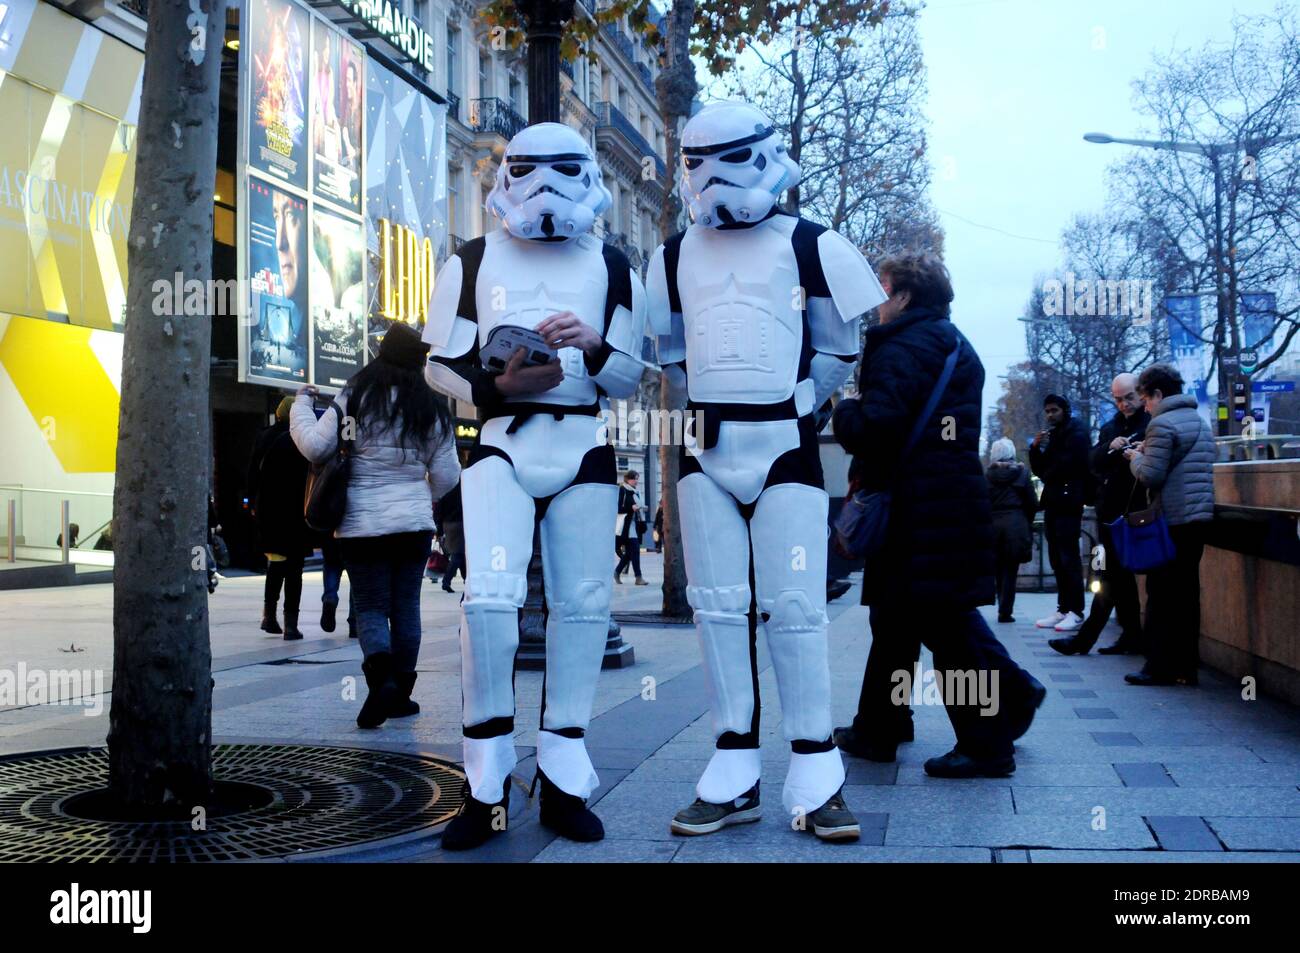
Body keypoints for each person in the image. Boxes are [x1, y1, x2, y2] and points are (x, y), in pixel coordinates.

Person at [647, 101, 882, 841]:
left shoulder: (813, 245)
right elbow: (671, 353)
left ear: (765, 155)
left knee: (797, 607)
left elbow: (839, 348)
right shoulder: (672, 256)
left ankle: (817, 766)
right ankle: (733, 764)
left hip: (784, 445)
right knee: (716, 606)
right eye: (696, 160)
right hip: (706, 447)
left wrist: (800, 401)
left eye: (730, 158)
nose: (712, 176)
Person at [423, 122, 647, 849]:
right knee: (489, 601)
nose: (545, 187)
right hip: (501, 444)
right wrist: (497, 379)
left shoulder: (614, 266)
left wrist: (592, 343)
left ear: (587, 176)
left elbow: (630, 376)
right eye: (528, 170)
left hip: (582, 442)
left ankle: (562, 778)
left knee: (583, 606)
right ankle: (483, 785)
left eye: (562, 170)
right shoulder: (473, 258)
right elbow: (439, 364)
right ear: (507, 174)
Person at [831, 252, 1046, 779]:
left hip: (918, 507)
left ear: (903, 295)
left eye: (882, 289)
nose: (876, 301)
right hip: (944, 499)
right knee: (896, 617)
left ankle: (989, 740)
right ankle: (879, 726)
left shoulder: (902, 344)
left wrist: (844, 410)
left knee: (943, 626)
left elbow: (879, 428)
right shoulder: (953, 342)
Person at [291, 322, 460, 727]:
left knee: (369, 606)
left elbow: (316, 446)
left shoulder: (357, 395)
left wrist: (300, 405)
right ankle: (399, 694)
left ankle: (381, 681)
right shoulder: (432, 408)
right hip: (414, 526)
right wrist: (416, 484)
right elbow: (447, 476)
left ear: (381, 353)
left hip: (362, 525)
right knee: (406, 607)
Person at [1122, 364, 1215, 686]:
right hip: (1199, 519)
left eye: (1146, 398)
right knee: (1187, 595)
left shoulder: (1161, 425)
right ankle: (1186, 667)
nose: (1145, 406)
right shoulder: (1200, 422)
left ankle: (1158, 666)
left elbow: (1151, 475)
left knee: (1160, 594)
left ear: (1158, 394)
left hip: (1172, 521)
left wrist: (1134, 457)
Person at [1051, 373, 1149, 656]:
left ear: (1140, 393)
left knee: (1111, 578)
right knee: (1117, 578)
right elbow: (1093, 462)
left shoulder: (1150, 423)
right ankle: (1131, 636)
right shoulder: (1111, 428)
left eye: (1129, 397)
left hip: (1137, 512)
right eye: (1118, 399)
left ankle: (1086, 640)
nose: (1124, 404)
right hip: (1114, 513)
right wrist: (1111, 448)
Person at [247, 396, 313, 640]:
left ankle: (269, 615)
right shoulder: (302, 438)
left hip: (269, 510)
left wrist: (252, 502)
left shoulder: (265, 436)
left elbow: (252, 472)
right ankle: (291, 625)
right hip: (296, 511)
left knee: (275, 563)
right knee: (295, 569)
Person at [1028, 393, 1091, 632]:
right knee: (1057, 558)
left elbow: (1063, 467)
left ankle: (1075, 611)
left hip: (1068, 501)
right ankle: (1064, 608)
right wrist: (1035, 448)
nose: (1050, 415)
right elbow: (1044, 469)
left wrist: (1049, 467)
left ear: (1064, 410)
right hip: (1055, 501)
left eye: (1054, 410)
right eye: (1047, 411)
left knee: (1068, 558)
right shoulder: (1055, 435)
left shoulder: (1076, 433)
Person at [986, 438, 1036, 623]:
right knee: (1010, 570)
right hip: (1015, 524)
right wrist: (1025, 520)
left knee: (998, 568)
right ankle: (1005, 610)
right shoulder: (1022, 474)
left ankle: (999, 601)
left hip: (993, 525)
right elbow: (1032, 503)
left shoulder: (987, 476)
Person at [614, 470, 647, 585]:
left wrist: (641, 508)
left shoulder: (637, 492)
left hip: (635, 525)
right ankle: (638, 577)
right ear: (628, 479)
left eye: (637, 478)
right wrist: (631, 508)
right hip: (626, 527)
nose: (636, 481)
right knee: (635, 550)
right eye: (634, 478)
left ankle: (617, 571)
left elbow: (639, 507)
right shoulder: (622, 490)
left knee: (629, 553)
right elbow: (618, 508)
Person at [435, 482, 466, 593]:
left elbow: (439, 511)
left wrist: (439, 531)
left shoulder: (446, 490)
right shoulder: (464, 490)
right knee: (458, 555)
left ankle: (467, 580)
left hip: (447, 524)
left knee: (460, 554)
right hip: (461, 524)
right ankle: (446, 581)